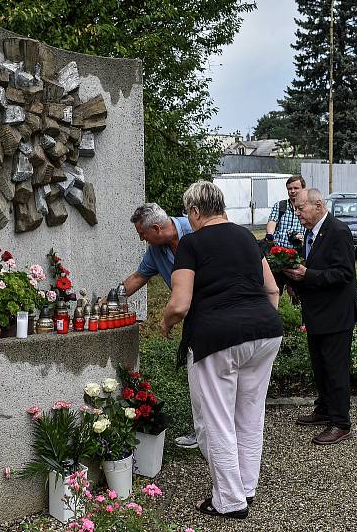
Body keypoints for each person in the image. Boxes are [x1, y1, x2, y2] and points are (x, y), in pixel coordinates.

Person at [161, 181, 283, 519]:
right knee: (249, 415)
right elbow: (271, 290)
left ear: (196, 212)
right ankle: (245, 488)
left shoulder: (191, 243)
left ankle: (229, 501)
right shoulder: (247, 237)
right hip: (265, 333)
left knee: (216, 419)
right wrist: (256, 321)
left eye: (188, 212)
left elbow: (180, 303)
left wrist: (166, 323)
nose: (188, 218)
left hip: (216, 339)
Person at [282, 188, 357, 445]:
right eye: (295, 208)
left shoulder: (338, 231)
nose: (297, 213)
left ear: (318, 205)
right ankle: (324, 409)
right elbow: (317, 267)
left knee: (335, 369)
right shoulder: (310, 232)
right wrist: (296, 283)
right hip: (317, 312)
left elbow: (344, 273)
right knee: (320, 366)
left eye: (301, 208)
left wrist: (307, 275)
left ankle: (340, 423)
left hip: (336, 314)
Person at [118, 203, 198, 449]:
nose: (142, 239)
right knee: (197, 374)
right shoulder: (155, 251)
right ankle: (202, 430)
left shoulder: (195, 231)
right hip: (192, 316)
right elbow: (138, 277)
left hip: (218, 310)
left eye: (142, 234)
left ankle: (221, 431)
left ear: (155, 228)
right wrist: (111, 298)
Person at [264, 175, 306, 293]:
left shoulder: (307, 207)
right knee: (274, 289)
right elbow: (272, 221)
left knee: (297, 291)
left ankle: (295, 307)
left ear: (303, 188)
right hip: (278, 255)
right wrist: (270, 235)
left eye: (296, 188)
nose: (292, 191)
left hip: (297, 256)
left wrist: (303, 239)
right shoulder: (280, 205)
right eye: (289, 189)